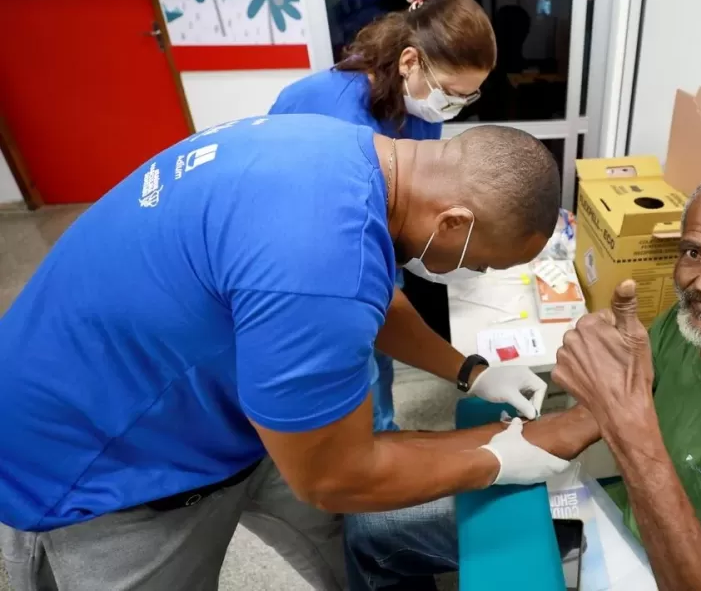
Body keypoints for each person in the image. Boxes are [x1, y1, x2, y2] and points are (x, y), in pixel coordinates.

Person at [0, 115, 599, 591]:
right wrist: (499, 455)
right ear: (453, 222)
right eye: (483, 262)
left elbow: (373, 303)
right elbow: (334, 475)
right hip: (99, 462)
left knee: (339, 526)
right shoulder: (318, 262)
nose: (474, 273)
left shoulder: (348, 156)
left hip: (212, 402)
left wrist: (470, 371)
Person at [346, 168, 701, 591]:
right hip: (618, 517)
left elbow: (631, 428)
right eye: (694, 253)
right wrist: (474, 440)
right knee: (371, 523)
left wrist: (631, 435)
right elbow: (597, 418)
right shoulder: (683, 327)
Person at [271, 0, 496, 433]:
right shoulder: (339, 120)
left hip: (362, 238)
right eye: (451, 93)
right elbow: (344, 251)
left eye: (467, 98)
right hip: (309, 252)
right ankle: (365, 447)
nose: (451, 106)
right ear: (409, 60)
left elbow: (415, 181)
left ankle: (382, 427)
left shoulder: (419, 101)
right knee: (352, 361)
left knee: (381, 351)